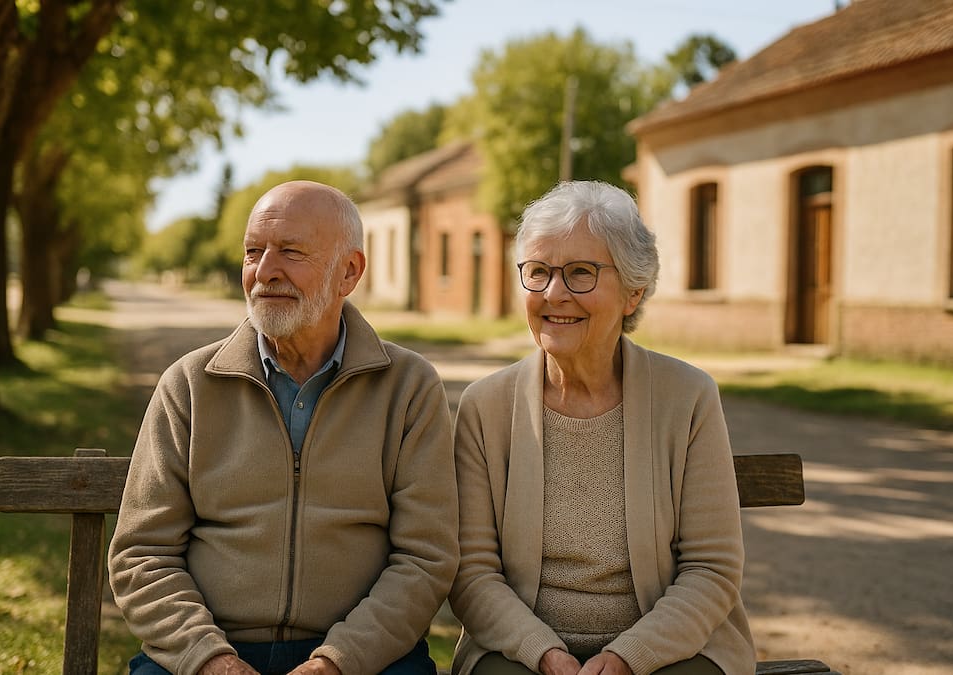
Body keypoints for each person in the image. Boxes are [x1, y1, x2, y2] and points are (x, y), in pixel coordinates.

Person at [109, 180, 458, 675]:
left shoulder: (409, 388)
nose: (265, 272)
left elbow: (425, 559)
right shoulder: (189, 384)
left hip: (364, 658)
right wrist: (210, 659)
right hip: (207, 651)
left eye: (291, 253)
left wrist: (337, 663)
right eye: (254, 253)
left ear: (349, 272)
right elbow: (143, 553)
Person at [448, 181, 756, 675]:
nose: (554, 294)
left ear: (633, 292)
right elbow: (473, 573)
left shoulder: (689, 397)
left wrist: (625, 658)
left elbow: (711, 570)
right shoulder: (485, 407)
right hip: (520, 654)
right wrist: (543, 652)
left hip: (668, 651)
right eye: (539, 272)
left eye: (581, 274)